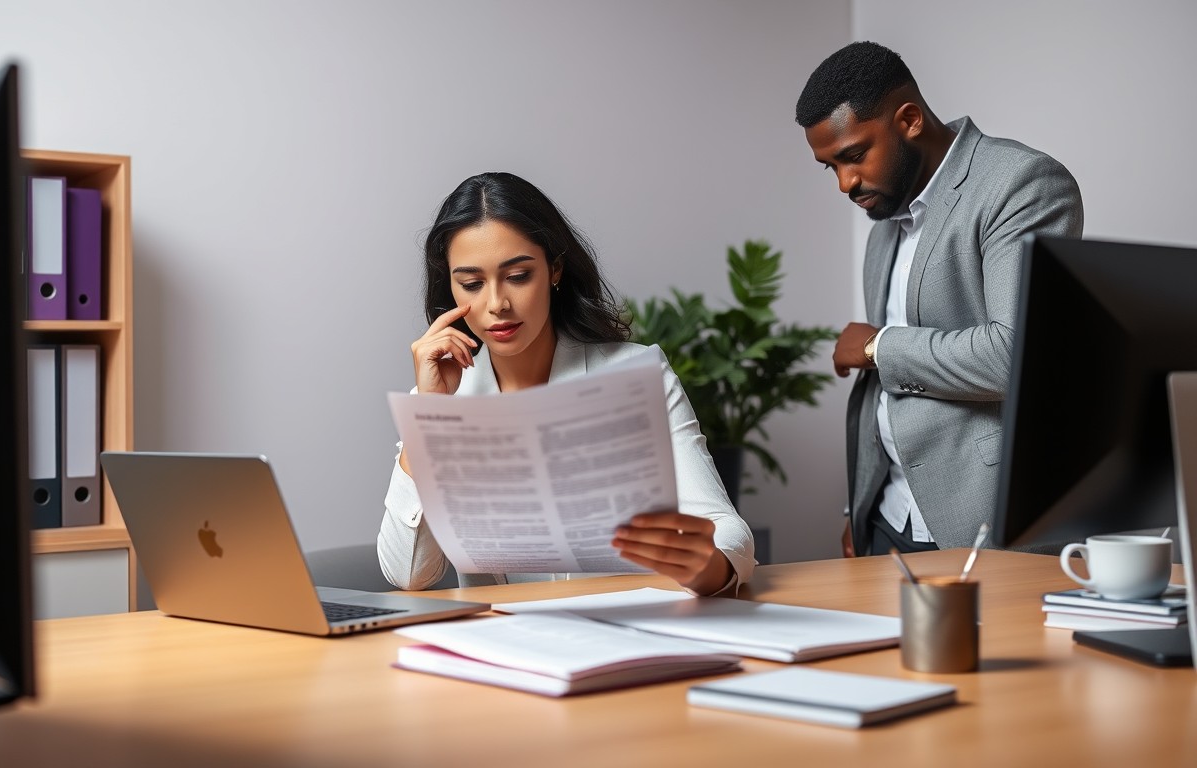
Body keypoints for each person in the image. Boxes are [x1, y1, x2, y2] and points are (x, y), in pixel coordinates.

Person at [377, 172, 754, 595]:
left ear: (554, 269)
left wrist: (709, 568)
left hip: (633, 636)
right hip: (510, 647)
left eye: (518, 276)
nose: (496, 304)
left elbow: (726, 529)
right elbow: (409, 575)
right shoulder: (441, 403)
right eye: (471, 284)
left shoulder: (637, 375)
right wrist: (428, 417)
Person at [795, 41, 1084, 557]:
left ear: (908, 120)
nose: (845, 183)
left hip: (981, 526)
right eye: (830, 167)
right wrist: (859, 506)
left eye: (854, 156)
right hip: (886, 518)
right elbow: (887, 391)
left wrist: (877, 347)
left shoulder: (1019, 185)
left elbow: (1016, 354)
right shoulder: (885, 215)